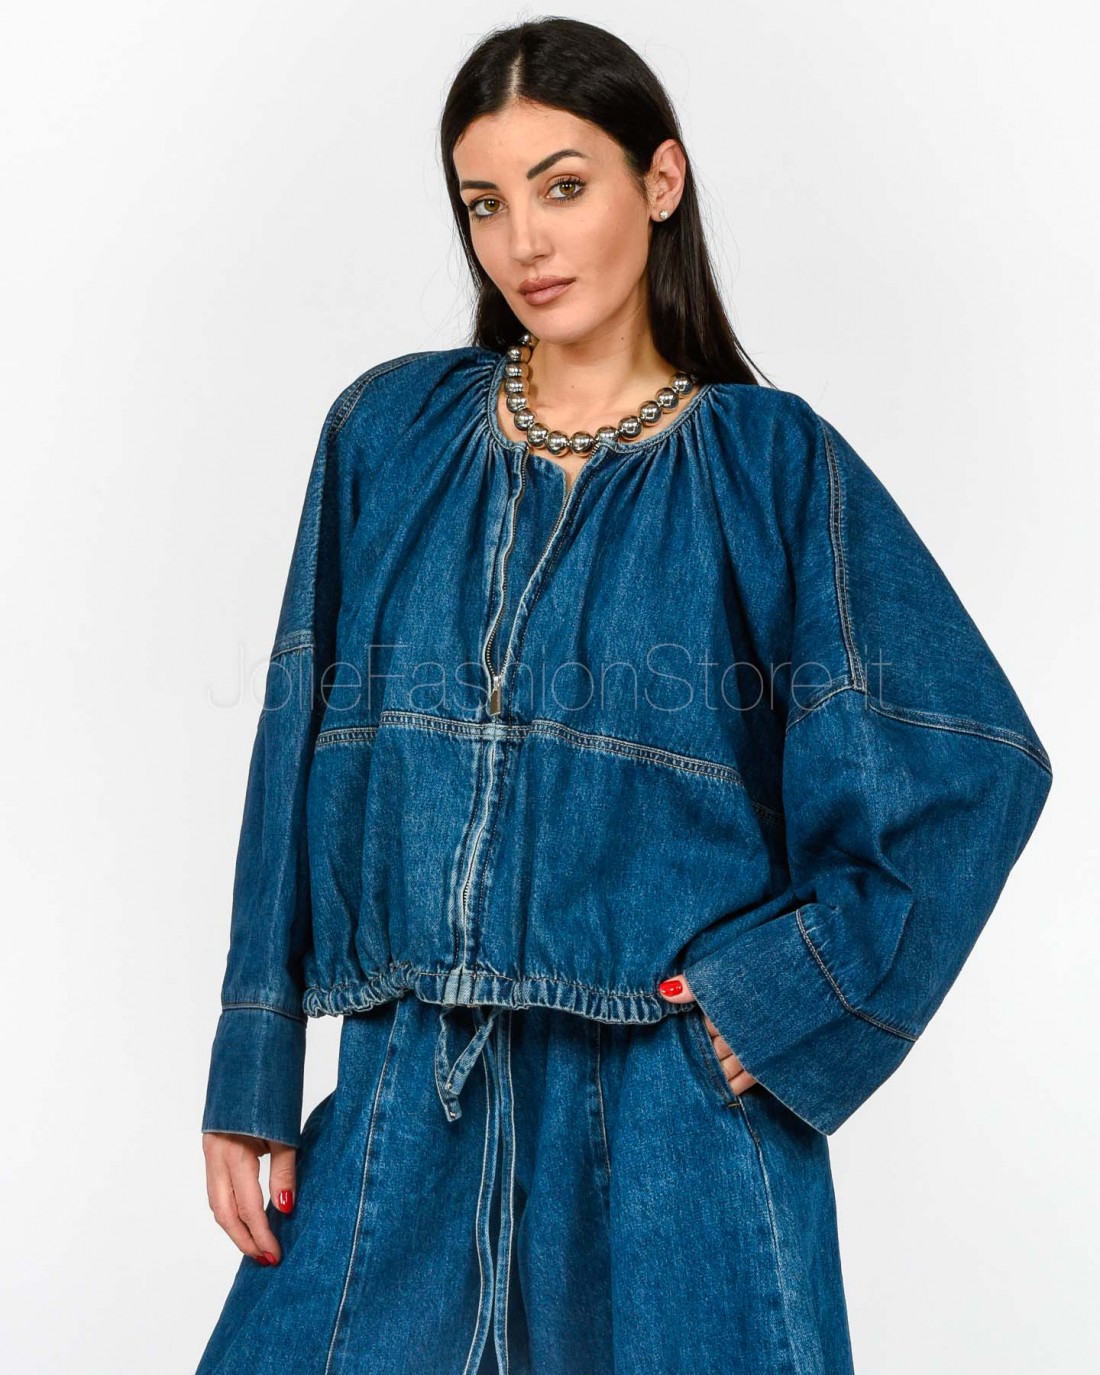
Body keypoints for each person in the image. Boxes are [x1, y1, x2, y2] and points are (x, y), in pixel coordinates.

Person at [195, 18, 1053, 1375]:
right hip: (407, 1098)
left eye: (563, 185)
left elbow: (969, 761)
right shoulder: (386, 435)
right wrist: (253, 1067)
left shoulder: (770, 464)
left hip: (671, 1128)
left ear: (660, 181)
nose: (524, 241)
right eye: (486, 203)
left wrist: (779, 1001)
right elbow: (293, 740)